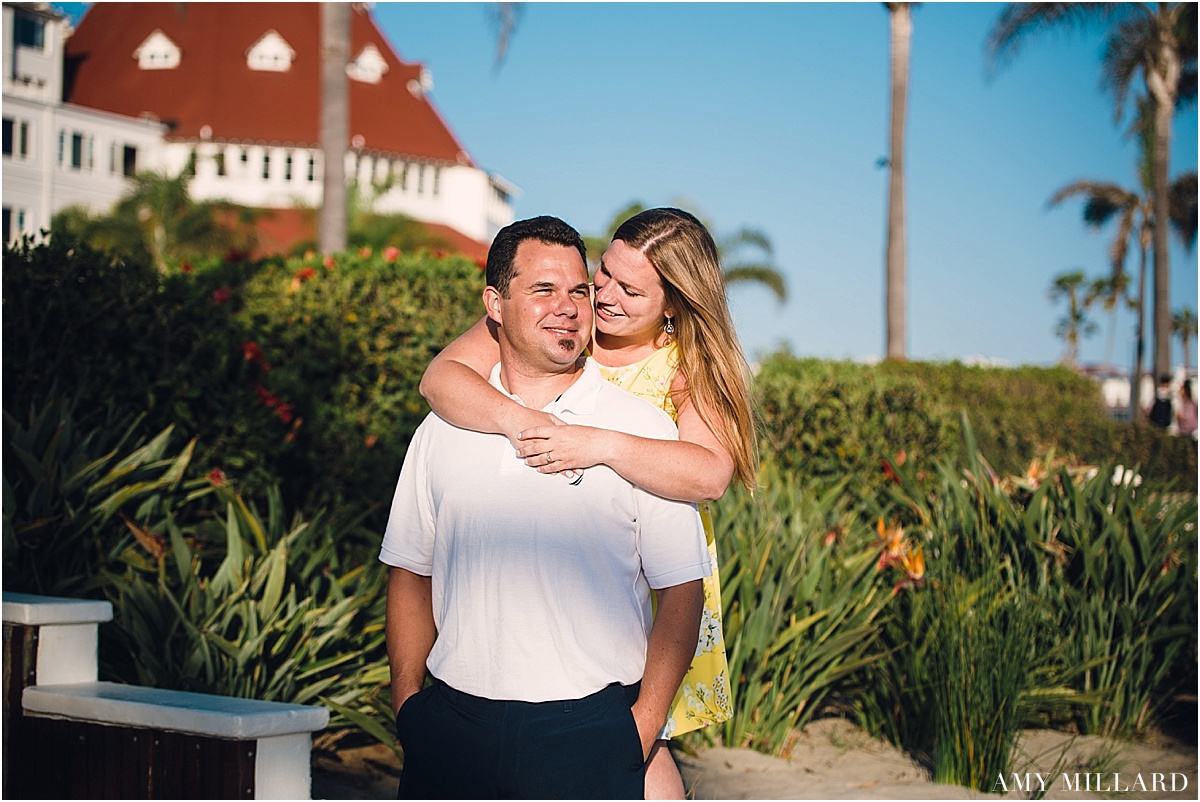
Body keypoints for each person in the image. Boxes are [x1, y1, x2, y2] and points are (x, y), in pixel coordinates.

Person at [419, 207, 757, 799]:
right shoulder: (568, 324)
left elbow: (710, 473)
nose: (604, 298)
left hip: (647, 572)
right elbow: (441, 378)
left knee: (638, 741)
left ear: (674, 304)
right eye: (604, 275)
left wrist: (595, 444)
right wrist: (520, 421)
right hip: (548, 575)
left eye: (632, 290)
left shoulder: (683, 367)